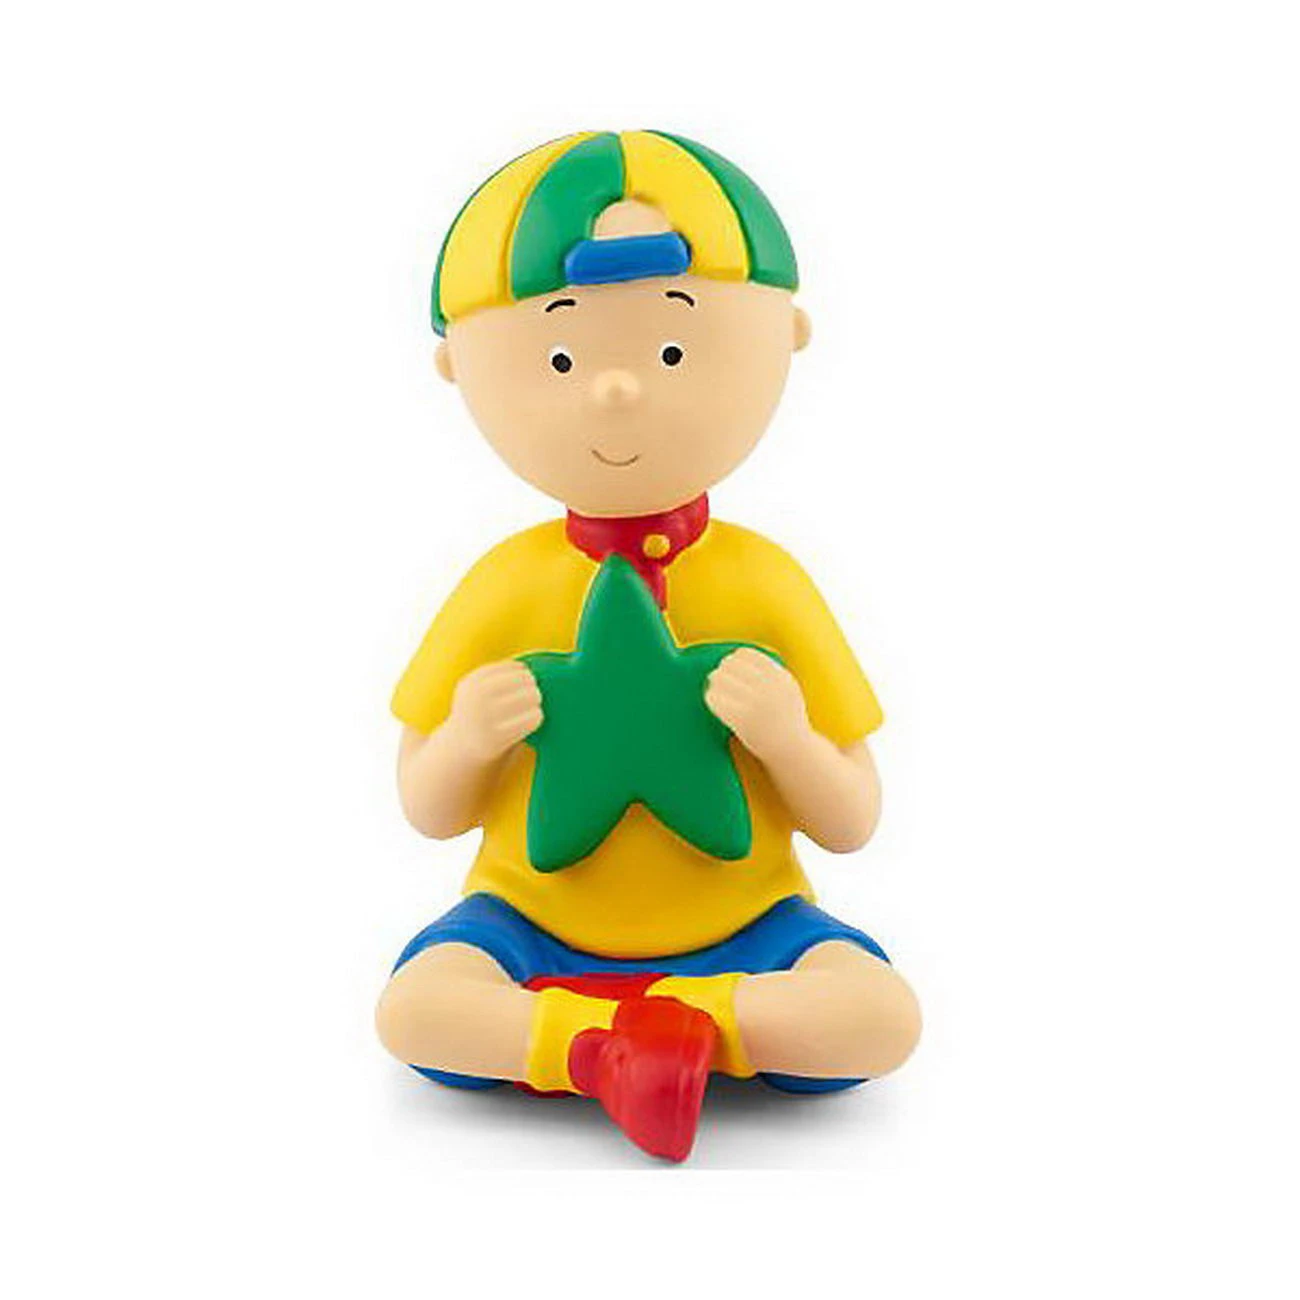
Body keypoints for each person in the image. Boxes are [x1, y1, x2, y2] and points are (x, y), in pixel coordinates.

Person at [376, 131, 920, 1161]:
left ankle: (658, 1030)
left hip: (749, 930)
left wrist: (787, 737)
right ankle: (608, 1051)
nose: (616, 390)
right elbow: (426, 806)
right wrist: (468, 738)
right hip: (529, 926)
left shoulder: (767, 583)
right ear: (458, 370)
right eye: (562, 358)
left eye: (671, 351)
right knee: (416, 1007)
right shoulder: (502, 585)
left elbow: (851, 818)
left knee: (878, 1015)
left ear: (787, 337)